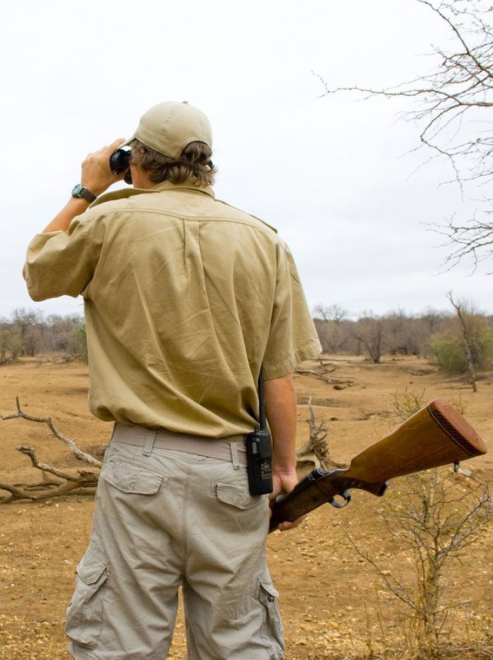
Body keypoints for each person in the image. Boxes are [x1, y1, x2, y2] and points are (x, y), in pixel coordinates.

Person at [23, 101, 322, 660]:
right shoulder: (264, 240)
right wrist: (284, 468)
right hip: (234, 472)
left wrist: (88, 189)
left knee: (121, 642)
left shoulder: (108, 221)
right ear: (206, 166)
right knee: (240, 644)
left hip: (140, 467)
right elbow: (277, 374)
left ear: (136, 160)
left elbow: (39, 273)